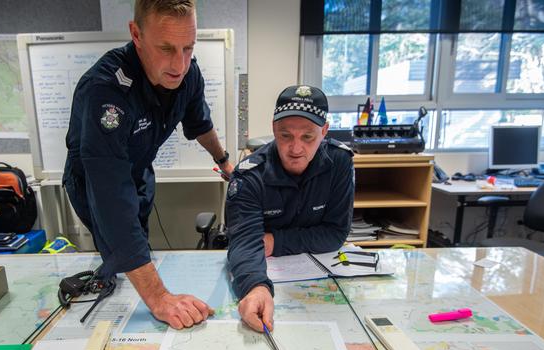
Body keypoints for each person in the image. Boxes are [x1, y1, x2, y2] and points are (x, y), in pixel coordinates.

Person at [62, 0, 233, 330]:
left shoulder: (187, 73)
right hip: (95, 179)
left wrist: (224, 161)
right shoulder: (107, 91)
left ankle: (136, 277)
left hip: (139, 170)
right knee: (117, 246)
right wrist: (159, 299)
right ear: (136, 34)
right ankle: (130, 299)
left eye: (187, 48)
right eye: (166, 48)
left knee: (136, 247)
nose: (179, 64)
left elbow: (199, 123)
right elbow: (110, 196)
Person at [226, 85, 354, 332]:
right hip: (265, 274)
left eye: (308, 137)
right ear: (274, 129)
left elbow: (335, 234)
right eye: (285, 136)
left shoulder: (340, 162)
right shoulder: (249, 175)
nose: (296, 149)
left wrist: (275, 241)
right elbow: (244, 243)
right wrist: (256, 287)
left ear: (324, 131)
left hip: (320, 284)